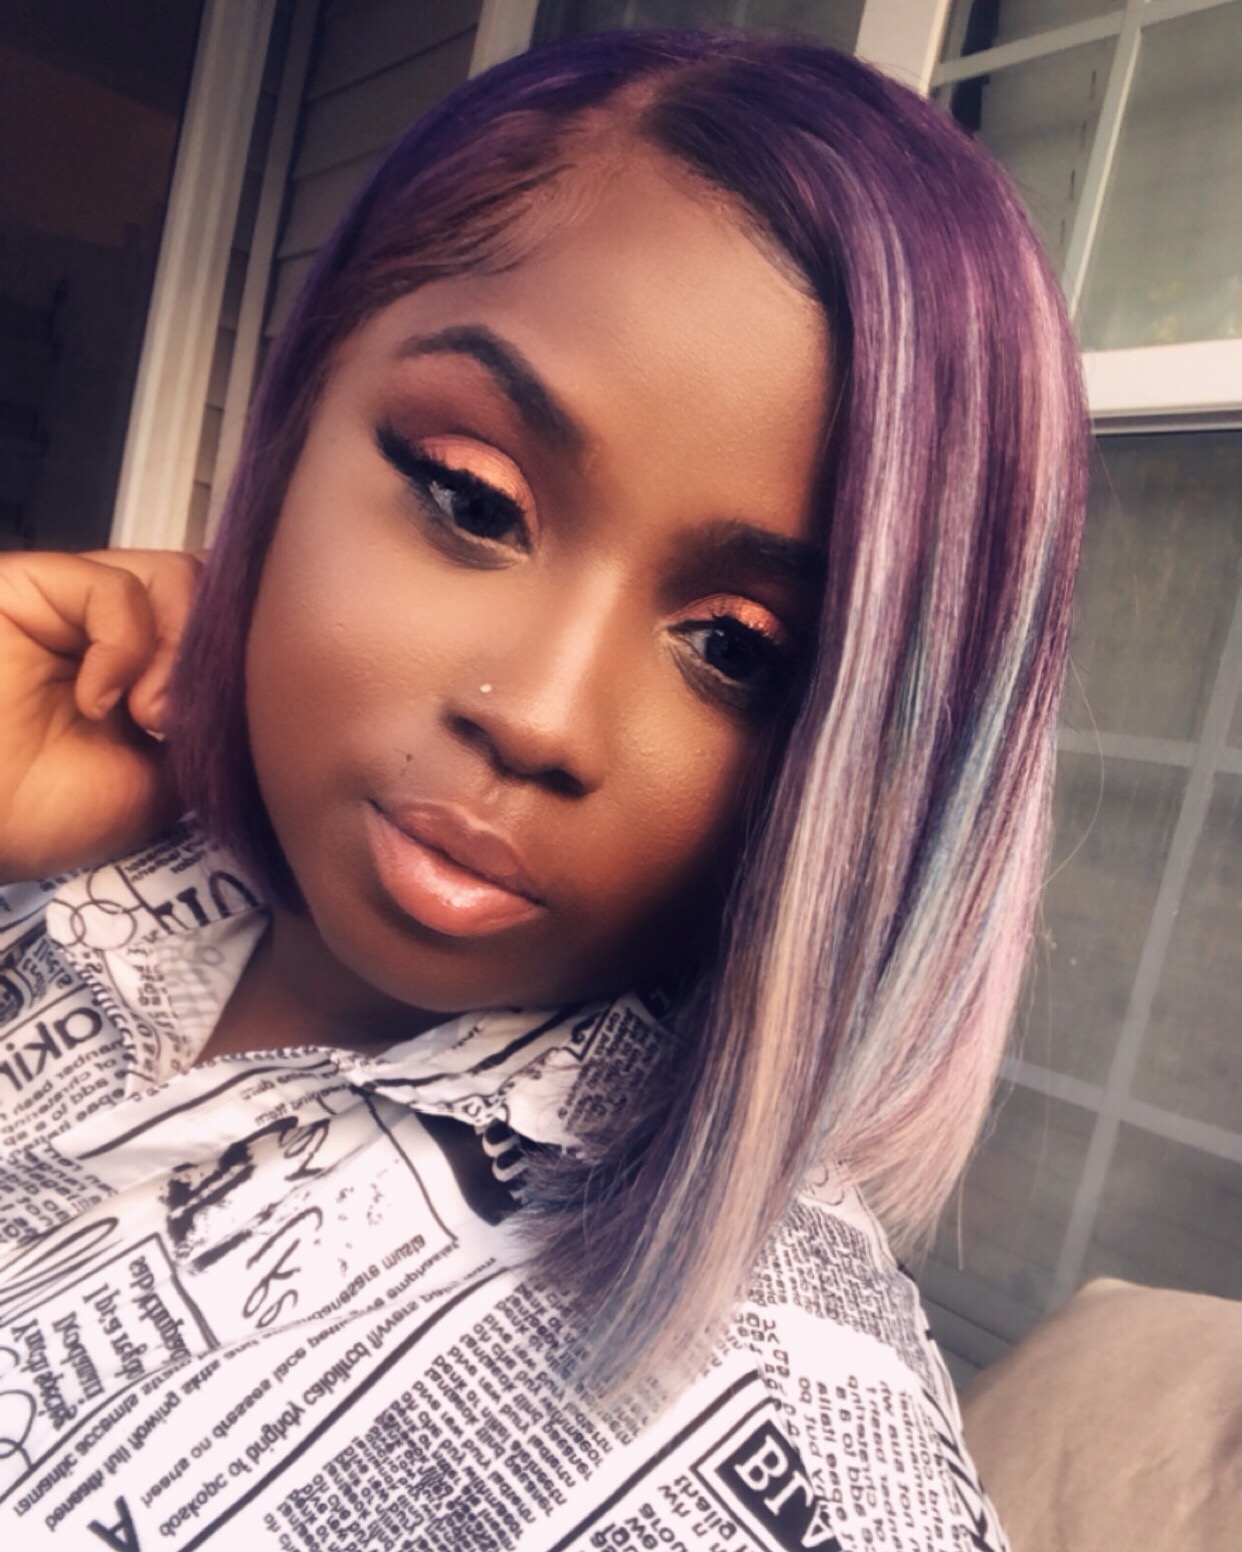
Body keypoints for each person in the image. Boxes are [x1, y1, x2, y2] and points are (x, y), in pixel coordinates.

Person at [0, 29, 1086, 1551]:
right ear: (298, 413)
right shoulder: (80, 840)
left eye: (738, 649)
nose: (539, 719)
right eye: (473, 498)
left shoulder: (790, 1455)